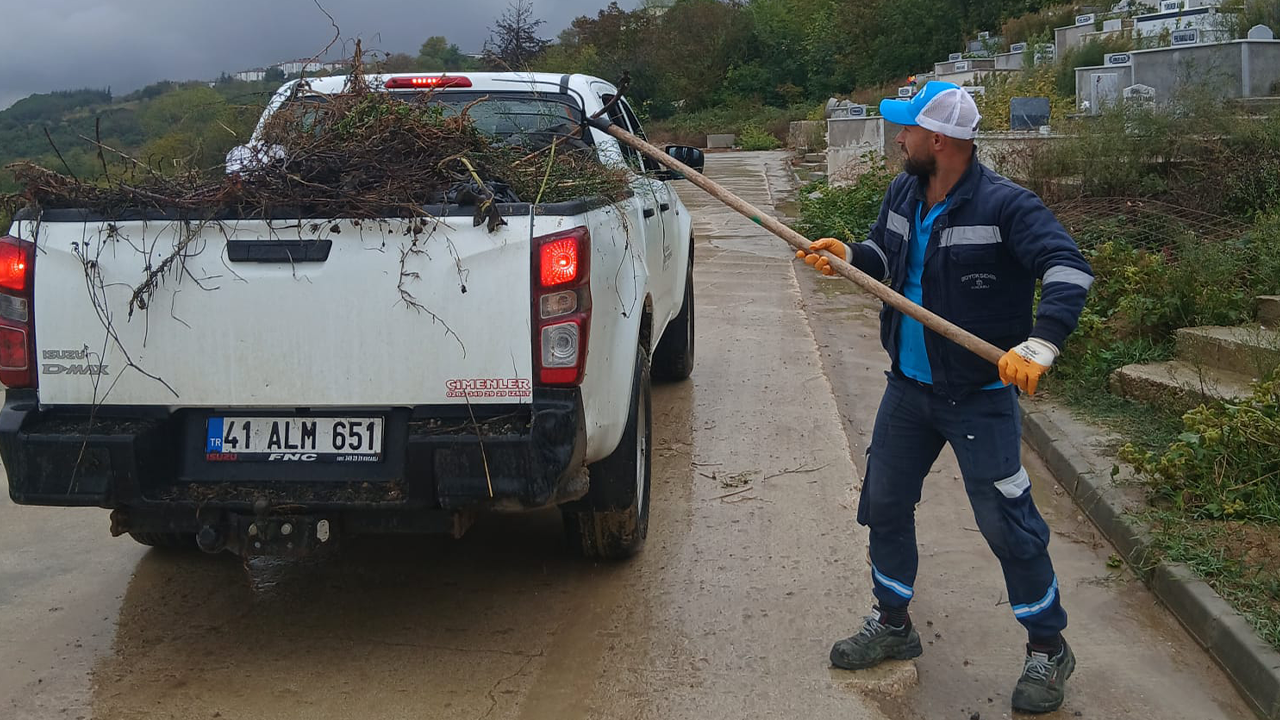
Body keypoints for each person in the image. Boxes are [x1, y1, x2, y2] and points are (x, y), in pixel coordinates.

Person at [797, 81, 1093, 714]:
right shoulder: (905, 190)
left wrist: (1042, 343)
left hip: (979, 397)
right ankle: (894, 625)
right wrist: (849, 255)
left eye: (905, 130)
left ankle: (1048, 646)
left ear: (937, 140)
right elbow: (885, 256)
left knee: (1007, 525)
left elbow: (1068, 267)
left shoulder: (1006, 205)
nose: (897, 138)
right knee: (883, 502)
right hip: (909, 390)